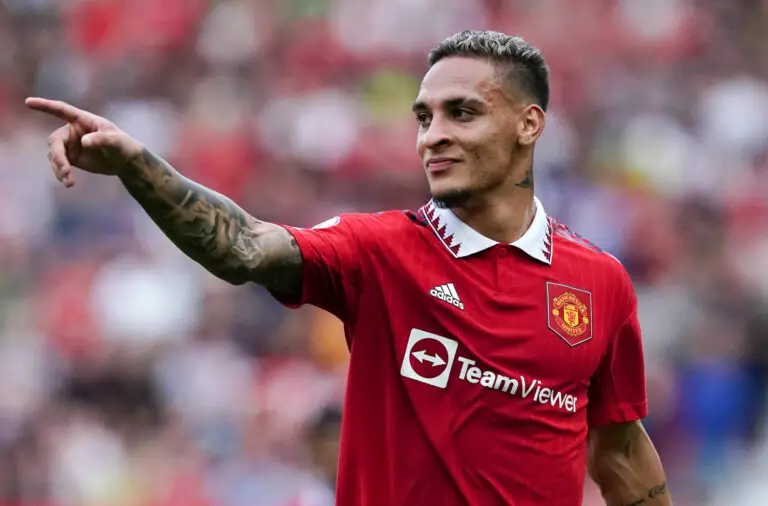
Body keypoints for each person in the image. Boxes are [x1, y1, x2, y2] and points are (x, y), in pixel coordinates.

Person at [27, 30, 671, 506]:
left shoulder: (599, 282)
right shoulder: (379, 251)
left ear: (529, 124)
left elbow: (620, 454)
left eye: (462, 112)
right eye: (424, 117)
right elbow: (243, 246)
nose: (433, 135)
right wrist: (138, 166)